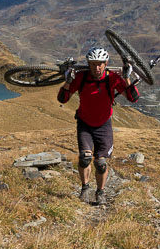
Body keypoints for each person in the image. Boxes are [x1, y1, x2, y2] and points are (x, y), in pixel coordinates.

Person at [57, 46, 139, 204]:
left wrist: (127, 78)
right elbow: (62, 99)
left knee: (101, 163)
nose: (97, 67)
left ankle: (100, 192)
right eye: (94, 63)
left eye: (100, 63)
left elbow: (132, 98)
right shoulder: (81, 77)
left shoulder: (112, 78)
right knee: (85, 158)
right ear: (88, 64)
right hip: (85, 124)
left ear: (106, 63)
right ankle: (85, 188)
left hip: (104, 125)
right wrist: (68, 82)